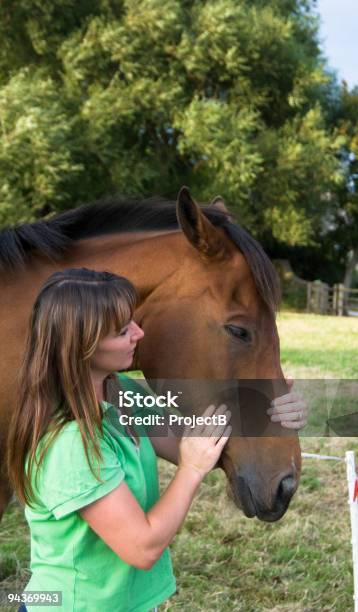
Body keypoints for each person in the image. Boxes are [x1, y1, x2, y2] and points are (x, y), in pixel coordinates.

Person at [7, 268, 307, 612]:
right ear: (82, 346)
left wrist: (268, 412)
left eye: (132, 321)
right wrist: (191, 472)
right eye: (123, 330)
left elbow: (193, 442)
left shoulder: (123, 395)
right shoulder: (69, 444)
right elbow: (143, 547)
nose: (139, 333)